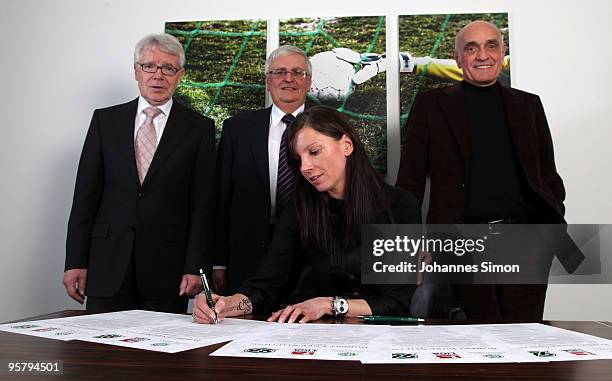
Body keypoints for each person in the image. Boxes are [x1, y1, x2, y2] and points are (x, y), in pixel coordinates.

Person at [396, 20, 566, 321]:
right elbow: (410, 181)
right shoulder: (431, 105)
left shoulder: (528, 105)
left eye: (491, 45)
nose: (482, 55)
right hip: (460, 241)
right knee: (477, 334)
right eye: (471, 48)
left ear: (503, 53)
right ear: (458, 59)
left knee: (524, 335)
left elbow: (547, 176)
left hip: (525, 240)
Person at [194, 105, 421, 324]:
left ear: (346, 145)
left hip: (379, 340)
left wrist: (330, 304)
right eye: (298, 160)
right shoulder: (298, 208)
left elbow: (397, 302)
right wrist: (225, 304)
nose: (305, 167)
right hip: (313, 337)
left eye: (314, 152)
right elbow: (265, 286)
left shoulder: (400, 206)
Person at [63, 33, 216, 313]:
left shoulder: (199, 128)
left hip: (167, 271)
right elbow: (85, 197)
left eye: (168, 68)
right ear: (136, 71)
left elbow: (203, 206)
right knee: (98, 353)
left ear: (180, 75)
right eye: (149, 66)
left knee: (163, 355)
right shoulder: (105, 121)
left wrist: (195, 267)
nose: (158, 75)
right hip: (106, 264)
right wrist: (75, 260)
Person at [213, 46, 311, 295]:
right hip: (248, 259)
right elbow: (222, 198)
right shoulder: (237, 129)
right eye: (280, 72)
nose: (288, 78)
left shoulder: (329, 126)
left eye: (297, 72)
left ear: (308, 82)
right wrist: (219, 261)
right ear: (268, 81)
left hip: (313, 259)